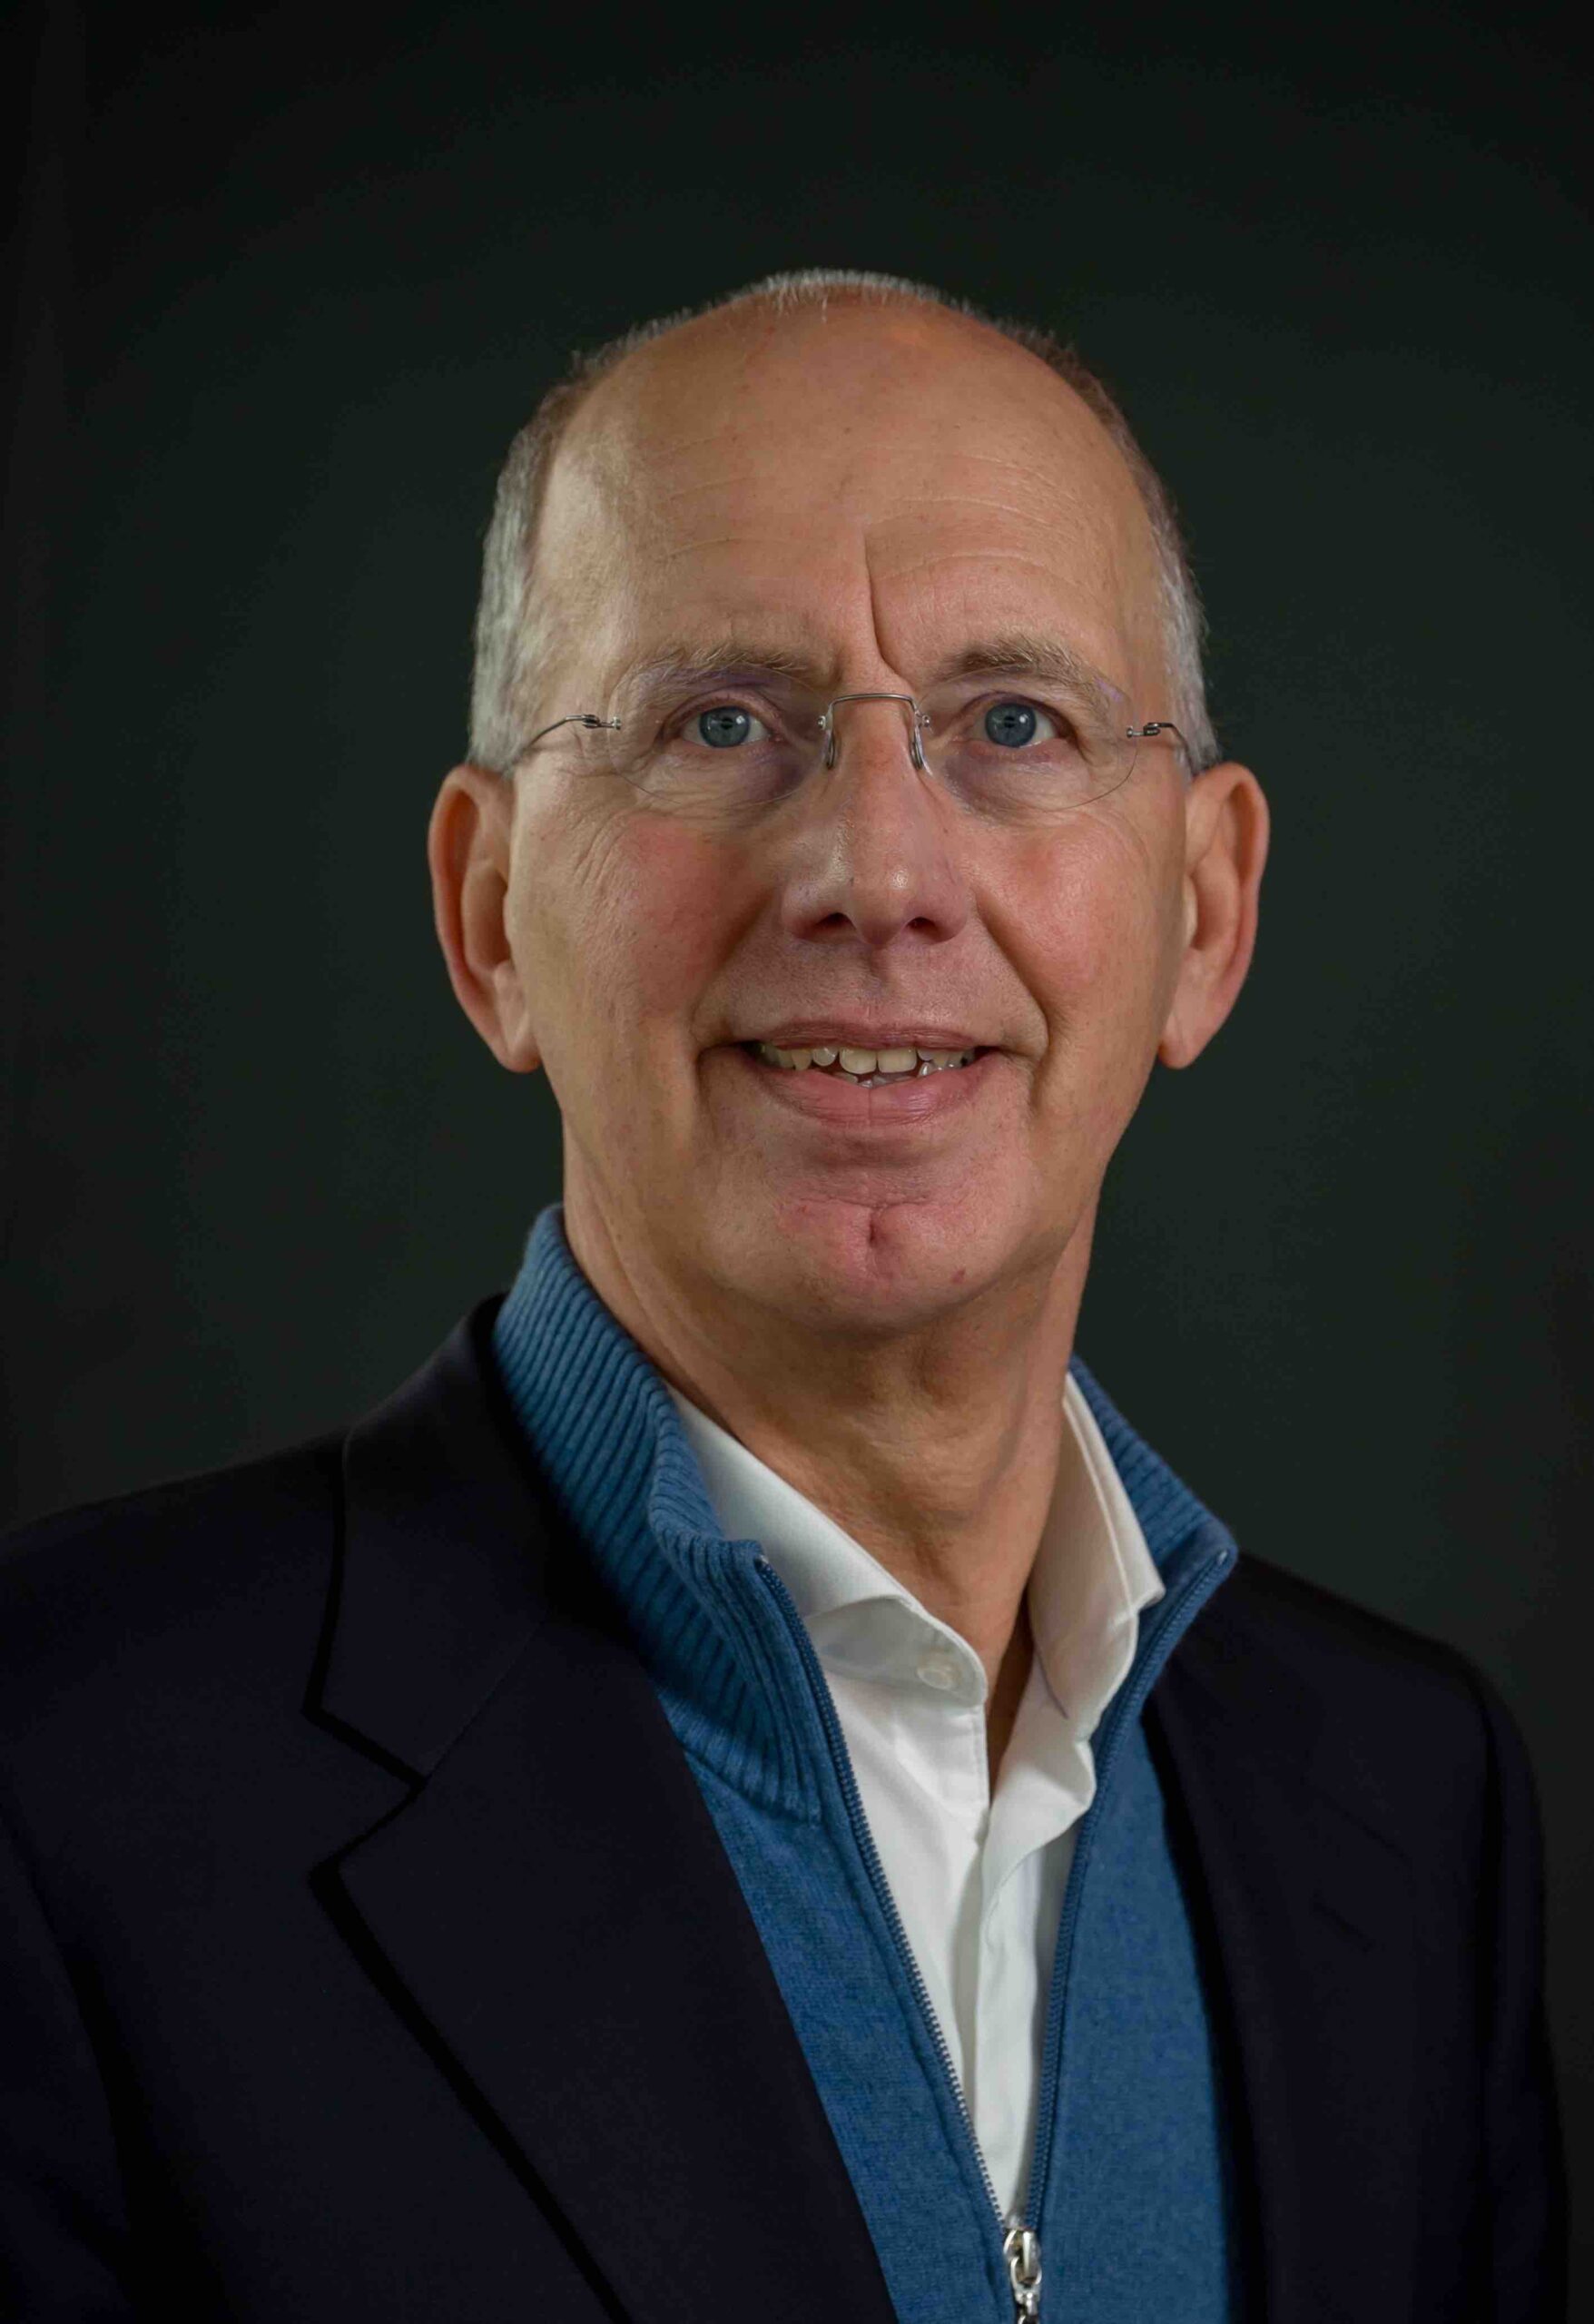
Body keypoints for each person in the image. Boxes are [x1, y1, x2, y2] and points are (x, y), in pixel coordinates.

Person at [0, 270, 1565, 2323]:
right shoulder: (59, 1778)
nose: (876, 871)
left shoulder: (1409, 1803)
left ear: (1205, 914)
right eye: (718, 723)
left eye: (1014, 724)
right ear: (489, 917)